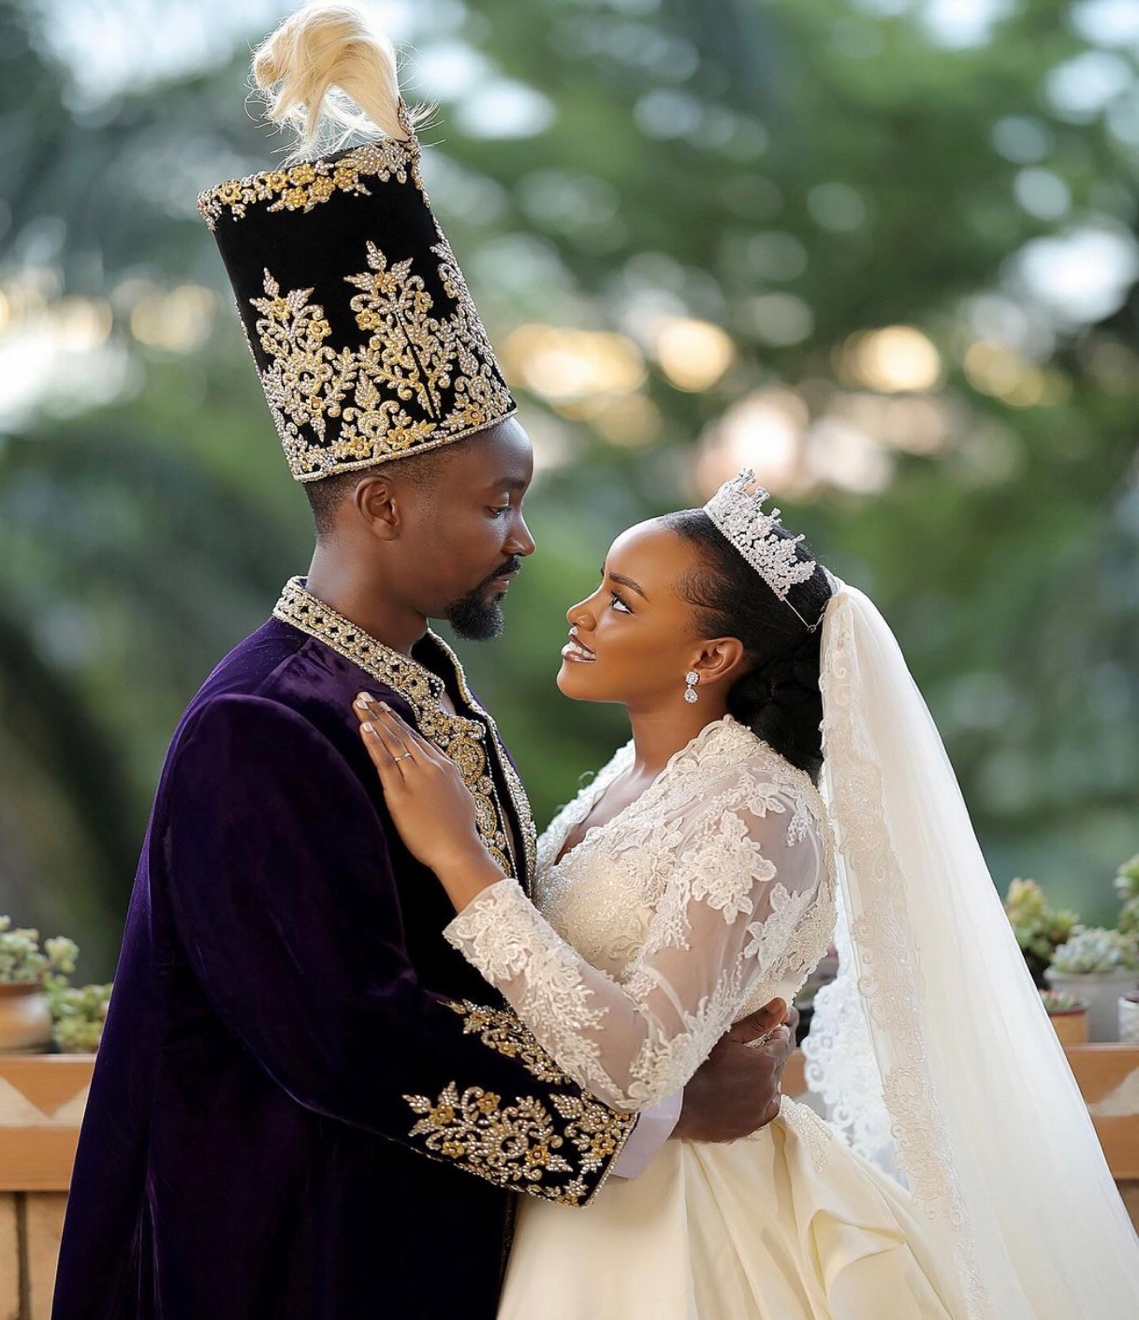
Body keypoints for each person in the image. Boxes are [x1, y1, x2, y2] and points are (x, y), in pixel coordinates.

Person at [49, 10, 793, 1320]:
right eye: (494, 504)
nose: (523, 539)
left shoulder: (413, 687)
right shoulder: (261, 727)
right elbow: (349, 1038)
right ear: (383, 504)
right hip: (286, 1267)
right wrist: (651, 1114)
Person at [360, 471, 1139, 1319]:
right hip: (581, 1193)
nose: (580, 613)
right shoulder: (631, 776)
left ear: (709, 657)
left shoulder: (759, 811)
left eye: (620, 601)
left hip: (692, 1216)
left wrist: (461, 860)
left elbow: (640, 1063)